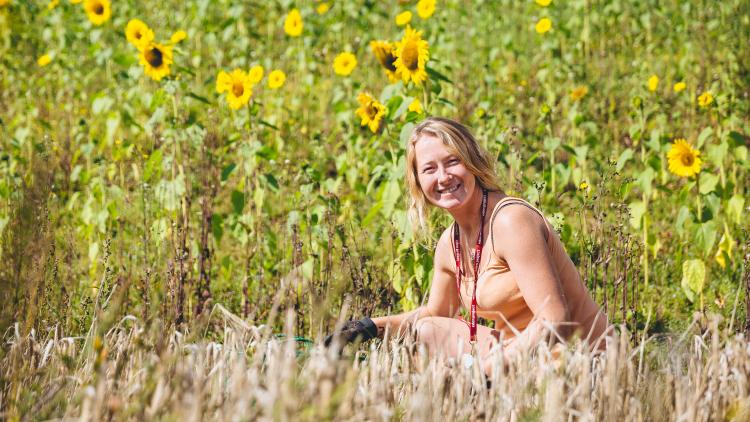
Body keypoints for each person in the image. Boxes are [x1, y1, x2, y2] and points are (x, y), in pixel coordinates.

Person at [326, 117, 611, 372]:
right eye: (429, 169)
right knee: (424, 332)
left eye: (452, 162)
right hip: (518, 355)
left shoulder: (511, 221)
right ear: (418, 182)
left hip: (578, 358)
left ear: (473, 162)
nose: (443, 177)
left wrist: (484, 372)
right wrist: (370, 327)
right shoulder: (450, 243)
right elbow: (434, 315)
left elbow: (554, 319)